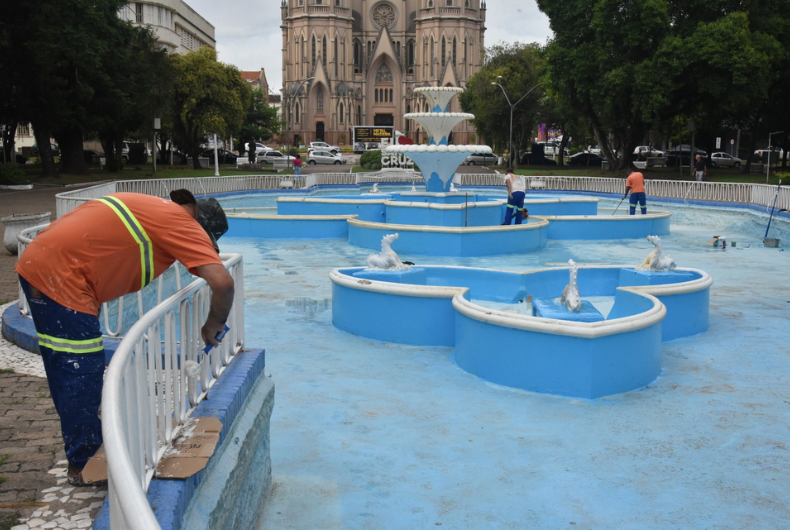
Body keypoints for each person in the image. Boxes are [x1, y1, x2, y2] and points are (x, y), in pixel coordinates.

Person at [16, 189, 234, 486]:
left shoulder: (154, 206)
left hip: (38, 263)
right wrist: (213, 324)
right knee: (81, 369)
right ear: (201, 227)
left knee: (64, 363)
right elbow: (223, 282)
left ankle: (85, 450)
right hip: (63, 277)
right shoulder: (184, 223)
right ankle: (85, 465)